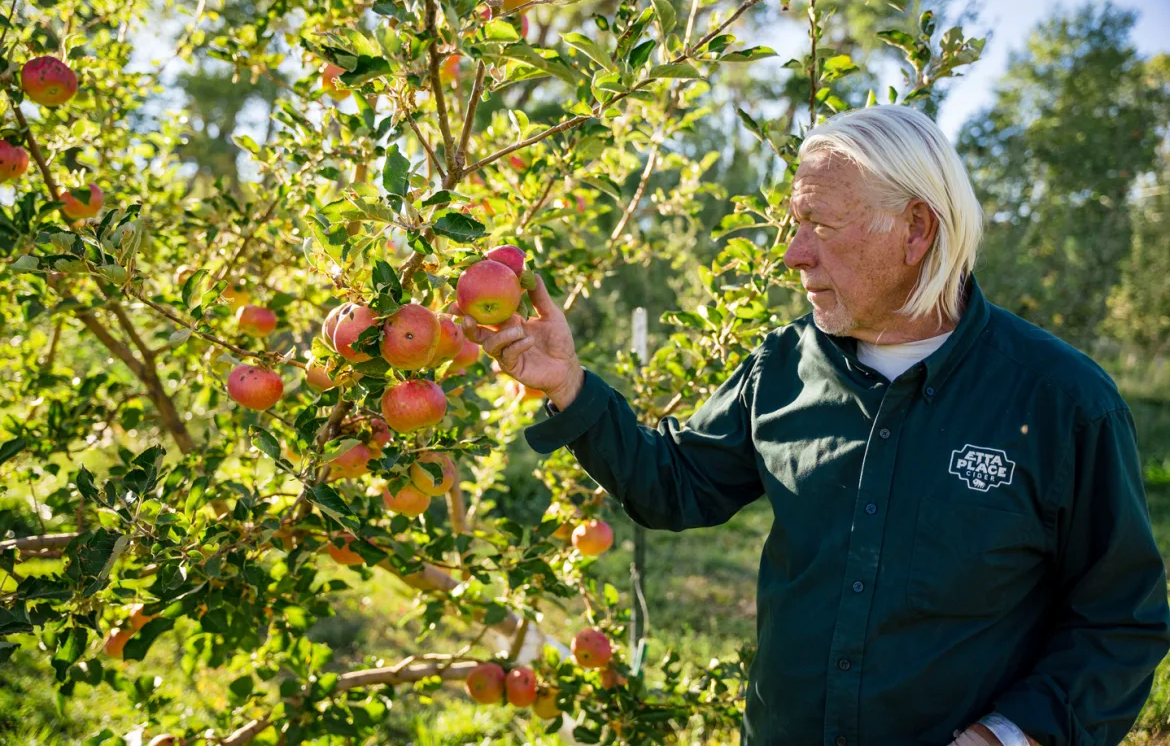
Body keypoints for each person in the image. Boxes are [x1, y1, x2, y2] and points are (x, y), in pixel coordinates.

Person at [461, 105, 1170, 746]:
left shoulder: (1061, 401)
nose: (794, 253)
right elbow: (673, 483)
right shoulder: (783, 366)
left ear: (916, 228)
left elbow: (1119, 619)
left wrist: (1007, 737)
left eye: (821, 225)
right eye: (795, 224)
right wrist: (569, 386)